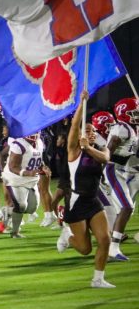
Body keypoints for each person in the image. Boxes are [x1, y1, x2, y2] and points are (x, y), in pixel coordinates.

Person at [56, 91, 114, 288]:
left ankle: (98, 279)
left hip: (93, 200)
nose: (91, 133)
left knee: (105, 239)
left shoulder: (101, 149)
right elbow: (74, 124)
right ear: (81, 134)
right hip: (76, 202)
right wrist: (81, 103)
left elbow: (105, 158)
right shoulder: (73, 150)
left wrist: (89, 147)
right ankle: (68, 236)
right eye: (87, 130)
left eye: (93, 131)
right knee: (85, 249)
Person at [104, 97, 139, 261]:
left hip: (121, 169)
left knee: (126, 208)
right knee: (127, 207)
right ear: (124, 115)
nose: (137, 115)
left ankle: (112, 246)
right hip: (112, 168)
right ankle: (113, 248)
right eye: (133, 113)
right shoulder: (122, 128)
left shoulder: (132, 128)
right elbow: (109, 149)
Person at [1, 130, 49, 238]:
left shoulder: (39, 143)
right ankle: (15, 232)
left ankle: (8, 211)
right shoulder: (18, 144)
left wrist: (43, 168)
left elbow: (37, 159)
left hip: (31, 180)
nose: (33, 133)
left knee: (32, 208)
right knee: (21, 206)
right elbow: (13, 166)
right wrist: (28, 172)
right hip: (15, 179)